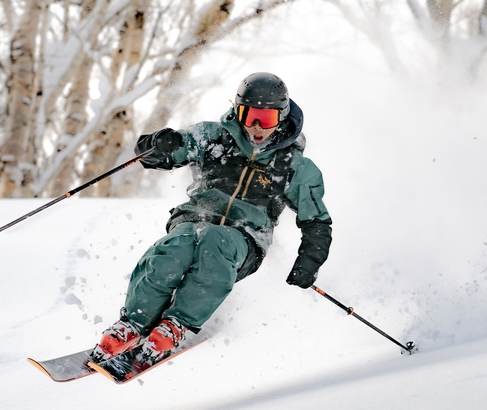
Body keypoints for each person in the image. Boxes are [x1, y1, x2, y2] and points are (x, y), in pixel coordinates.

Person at [90, 71, 332, 366]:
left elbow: (316, 221)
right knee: (177, 244)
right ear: (237, 110)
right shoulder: (213, 137)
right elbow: (156, 156)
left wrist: (309, 262)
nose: (256, 127)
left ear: (281, 117)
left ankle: (177, 324)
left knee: (215, 241)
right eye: (249, 115)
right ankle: (134, 323)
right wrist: (158, 144)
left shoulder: (294, 166)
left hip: (246, 237)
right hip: (194, 218)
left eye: (266, 119)